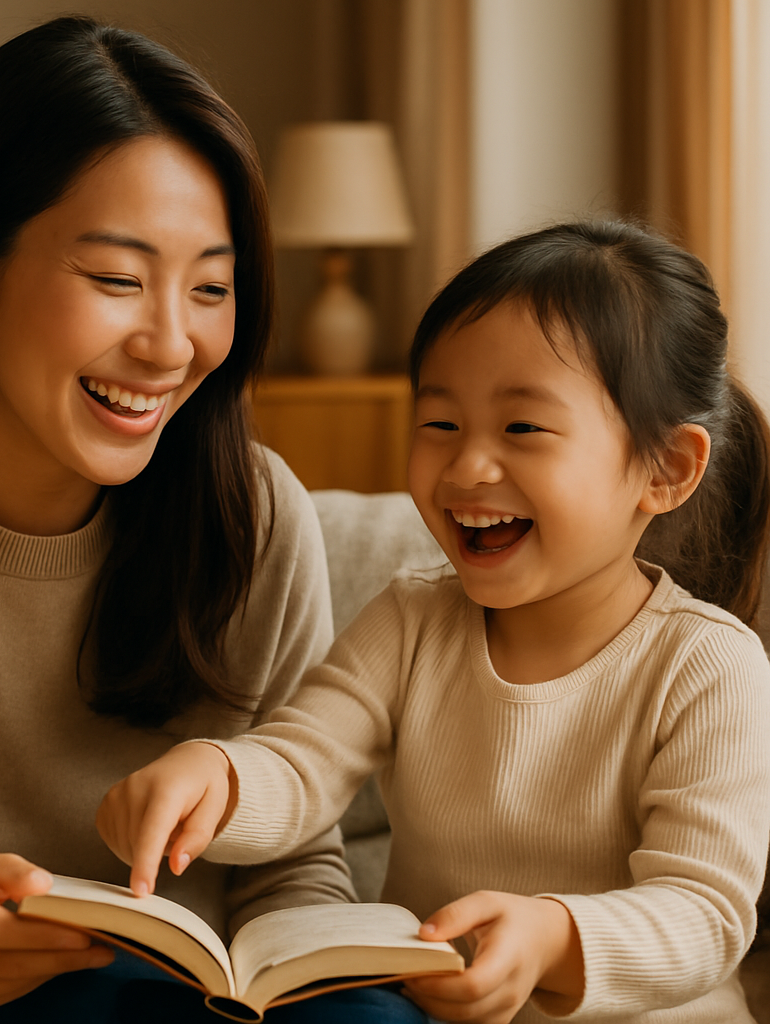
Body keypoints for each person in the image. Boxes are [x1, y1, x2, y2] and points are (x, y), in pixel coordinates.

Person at [0, 15, 422, 1023]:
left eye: (210, 288)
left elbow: (292, 875)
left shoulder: (253, 510)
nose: (168, 343)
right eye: (115, 279)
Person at [98, 220, 770, 1023]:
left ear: (665, 470)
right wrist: (217, 778)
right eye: (440, 423)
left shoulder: (707, 666)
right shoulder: (413, 617)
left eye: (523, 429)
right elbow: (303, 760)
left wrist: (554, 936)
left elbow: (704, 912)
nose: (466, 467)